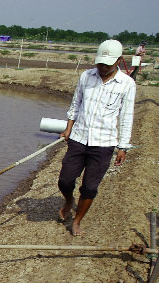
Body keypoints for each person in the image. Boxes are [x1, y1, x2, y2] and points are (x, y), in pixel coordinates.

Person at [57, 39, 136, 236]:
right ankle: (69, 200)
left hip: (104, 143)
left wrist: (123, 147)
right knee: (65, 180)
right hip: (79, 137)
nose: (102, 67)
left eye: (106, 64)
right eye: (99, 63)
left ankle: (76, 221)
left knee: (90, 187)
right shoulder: (86, 76)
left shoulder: (127, 84)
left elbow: (126, 117)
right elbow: (75, 105)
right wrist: (68, 129)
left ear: (119, 61)